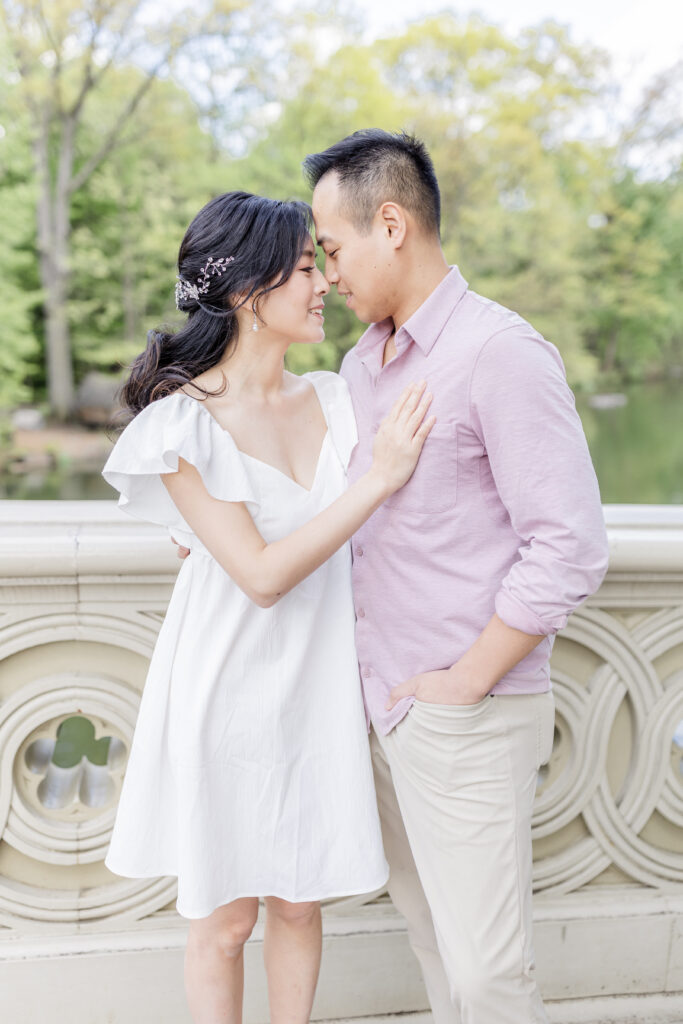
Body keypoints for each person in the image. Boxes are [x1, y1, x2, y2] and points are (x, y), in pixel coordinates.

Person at [101, 190, 436, 1024]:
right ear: (248, 293)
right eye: (300, 271)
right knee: (226, 918)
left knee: (298, 900)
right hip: (224, 689)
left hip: (314, 688)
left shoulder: (333, 396)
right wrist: (377, 481)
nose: (323, 284)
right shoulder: (183, 425)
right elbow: (258, 575)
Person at [300, 129, 611, 1024]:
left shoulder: (500, 351)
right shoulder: (362, 367)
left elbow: (569, 545)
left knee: (487, 975)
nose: (326, 275)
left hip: (466, 712)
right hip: (384, 707)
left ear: (389, 223)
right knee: (435, 945)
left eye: (333, 249)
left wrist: (466, 681)